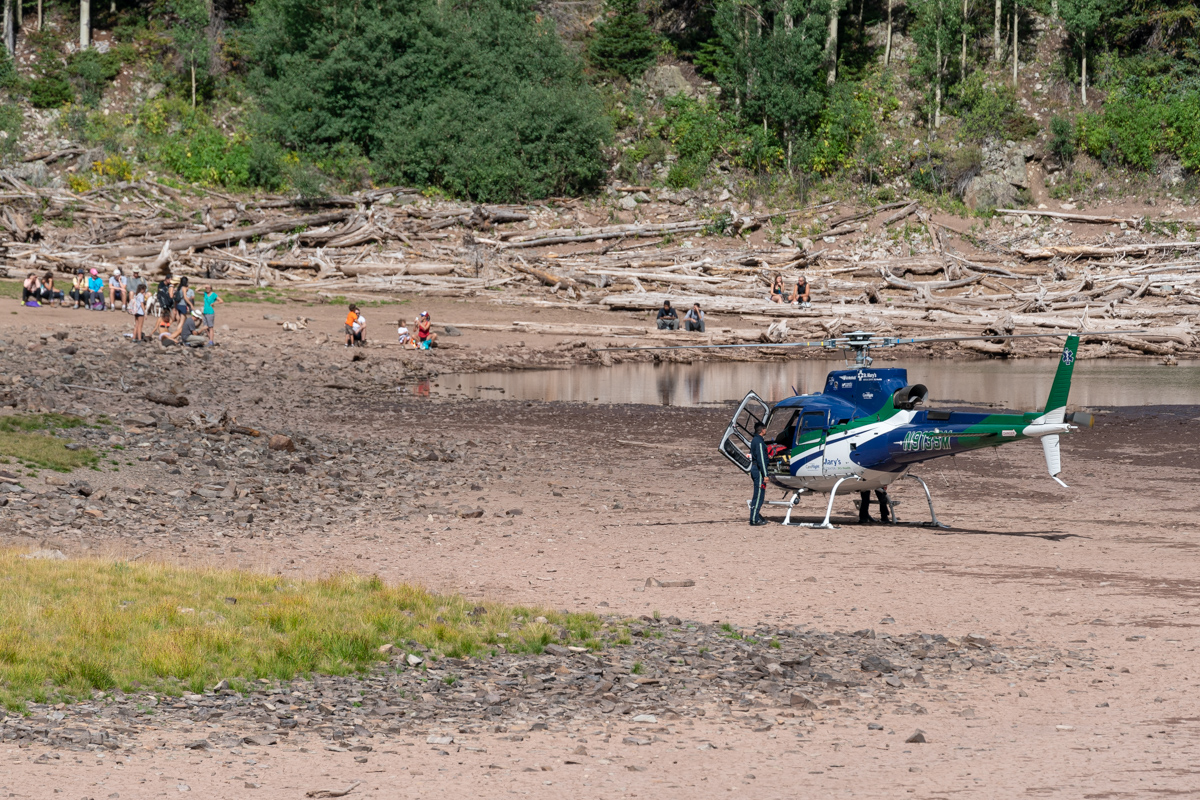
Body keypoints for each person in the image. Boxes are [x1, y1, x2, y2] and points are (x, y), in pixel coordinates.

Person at [749, 422, 769, 526]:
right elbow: (761, 459)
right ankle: (754, 519)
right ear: (762, 430)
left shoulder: (755, 440)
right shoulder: (759, 442)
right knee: (758, 495)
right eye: (765, 429)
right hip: (759, 470)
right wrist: (765, 474)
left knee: (759, 494)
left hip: (755, 469)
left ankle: (755, 517)